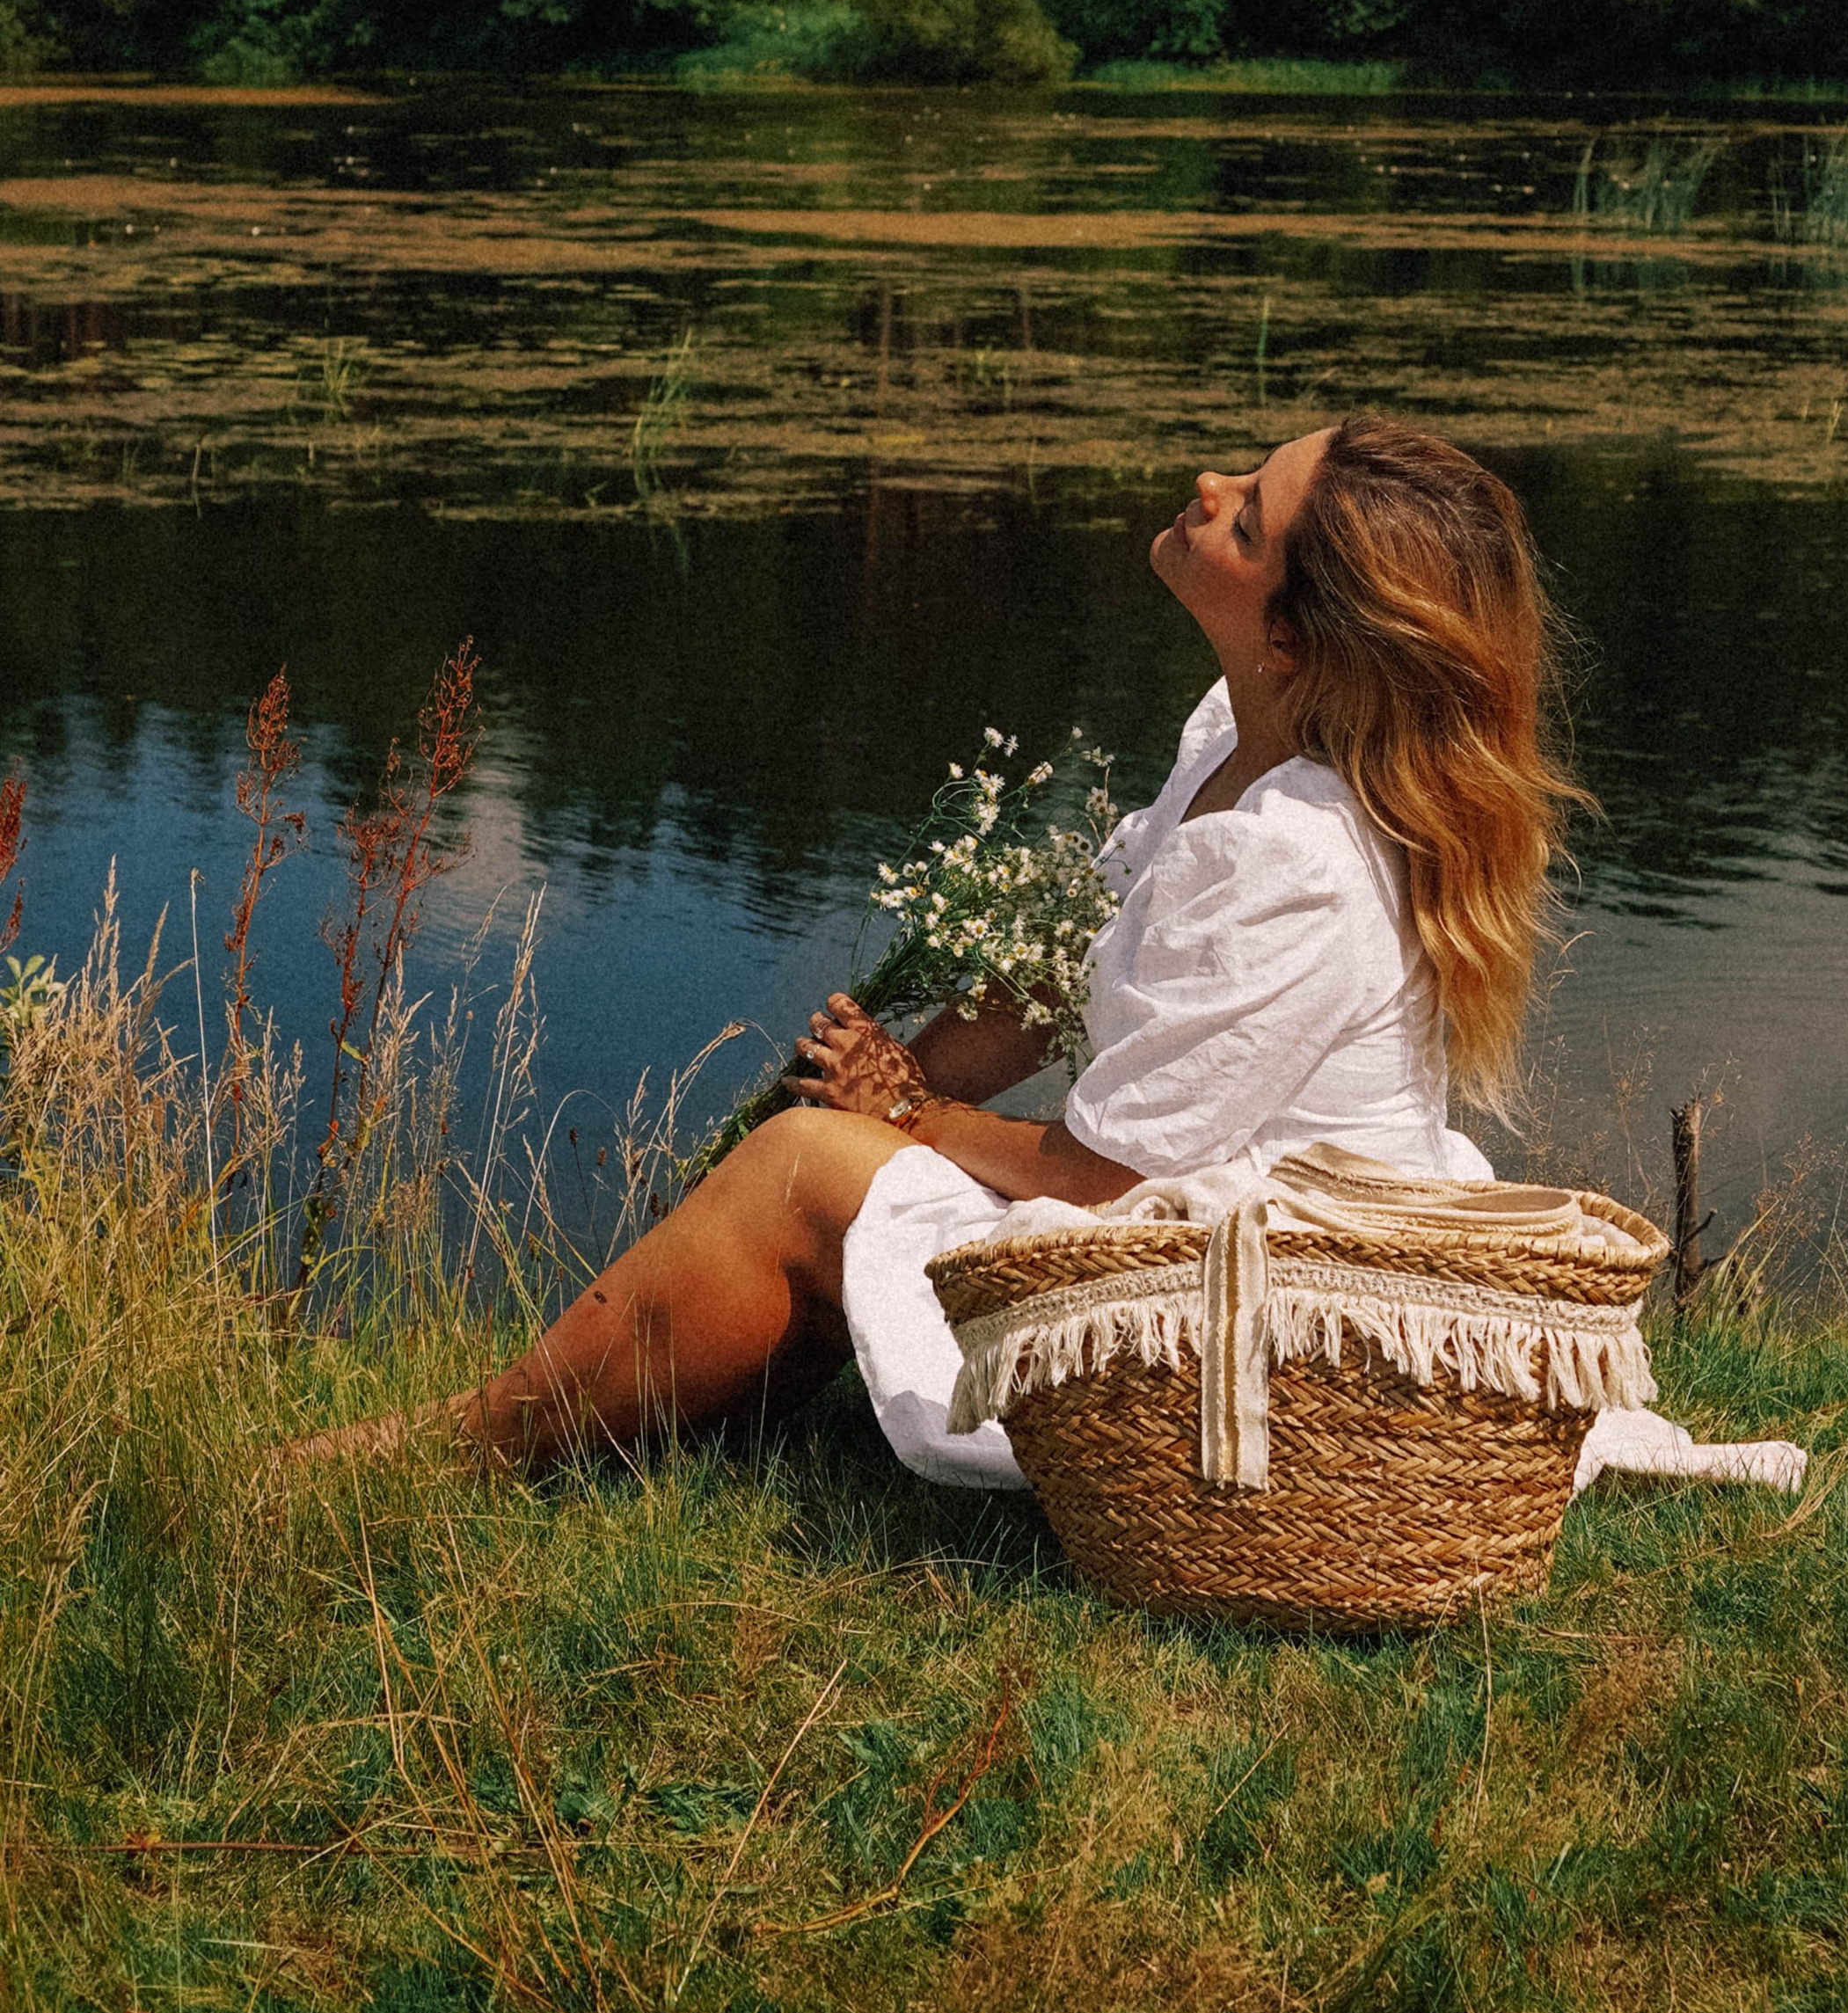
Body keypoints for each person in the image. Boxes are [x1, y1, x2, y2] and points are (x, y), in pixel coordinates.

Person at [401, 413, 1585, 1479]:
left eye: (1248, 516)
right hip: (1200, 1233)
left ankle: (450, 1451)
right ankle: (642, 1424)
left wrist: (905, 1114)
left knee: (804, 1167)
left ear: (1291, 639)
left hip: (1257, 1309)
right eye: (1244, 473)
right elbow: (1064, 969)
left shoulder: (1294, 854)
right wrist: (891, 1086)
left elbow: (1106, 1175)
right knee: (830, 1158)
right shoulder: (1239, 740)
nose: (1209, 484)